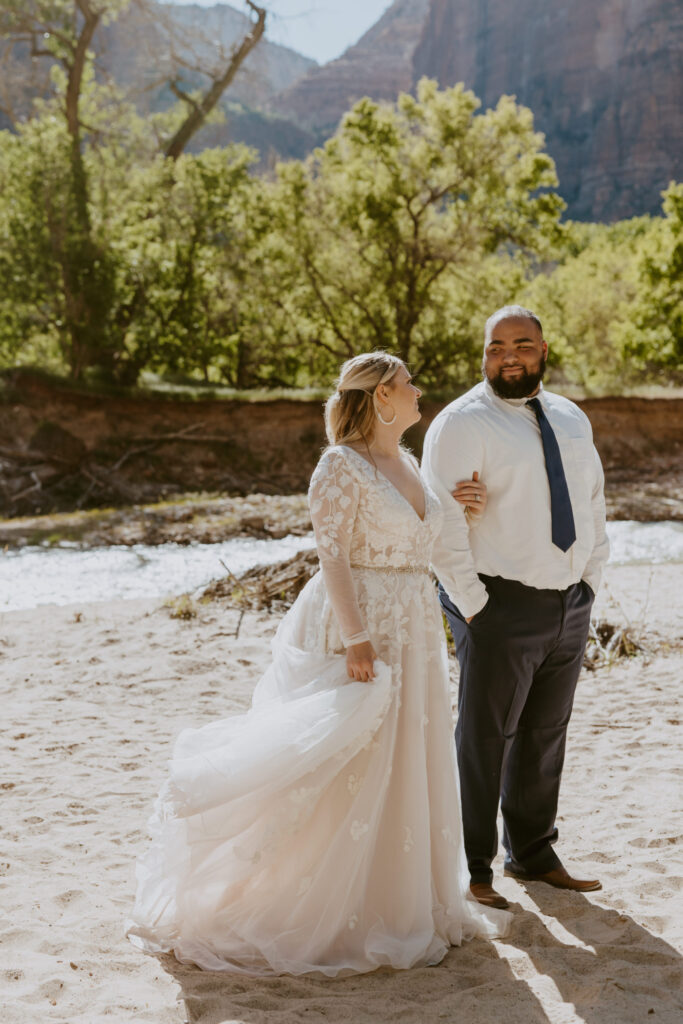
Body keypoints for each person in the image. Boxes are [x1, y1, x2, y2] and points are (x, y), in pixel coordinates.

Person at [126, 351, 509, 976]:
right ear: (382, 397)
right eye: (408, 384)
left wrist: (457, 514)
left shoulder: (407, 462)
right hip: (362, 619)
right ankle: (323, 903)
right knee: (350, 755)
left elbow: (424, 538)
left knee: (408, 751)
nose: (419, 392)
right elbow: (331, 557)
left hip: (414, 621)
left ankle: (400, 898)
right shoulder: (339, 466)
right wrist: (357, 638)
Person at [422, 305, 610, 911]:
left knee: (544, 734)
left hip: (567, 603)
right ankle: (474, 868)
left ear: (544, 350)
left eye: (522, 345)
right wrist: (475, 606)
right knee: (483, 737)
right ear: (482, 353)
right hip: (498, 600)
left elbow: (592, 501)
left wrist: (588, 584)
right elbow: (442, 522)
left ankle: (532, 853)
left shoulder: (571, 417)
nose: (509, 355)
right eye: (497, 345)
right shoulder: (460, 424)